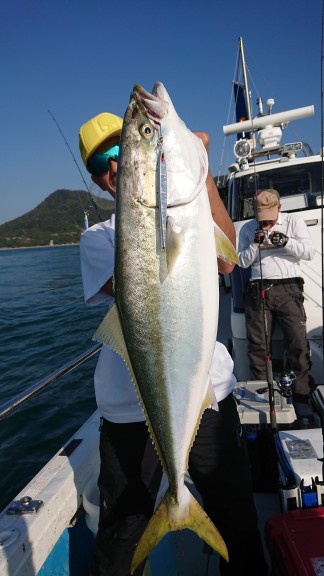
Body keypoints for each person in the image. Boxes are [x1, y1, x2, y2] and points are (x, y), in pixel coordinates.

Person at [79, 112, 268, 576]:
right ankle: (170, 507)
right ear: (102, 182)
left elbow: (226, 262)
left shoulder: (190, 209)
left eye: (124, 151)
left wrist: (199, 175)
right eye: (104, 162)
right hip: (129, 409)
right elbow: (141, 288)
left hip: (207, 394)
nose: (118, 166)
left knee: (237, 519)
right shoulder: (99, 238)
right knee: (121, 535)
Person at [237, 188, 317, 426]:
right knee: (259, 347)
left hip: (288, 288)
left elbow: (309, 252)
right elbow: (241, 260)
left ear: (279, 208)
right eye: (263, 217)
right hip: (257, 289)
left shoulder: (293, 221)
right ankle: (263, 397)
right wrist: (255, 245)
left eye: (271, 216)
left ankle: (302, 397)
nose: (267, 223)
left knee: (297, 343)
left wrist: (286, 241)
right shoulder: (248, 228)